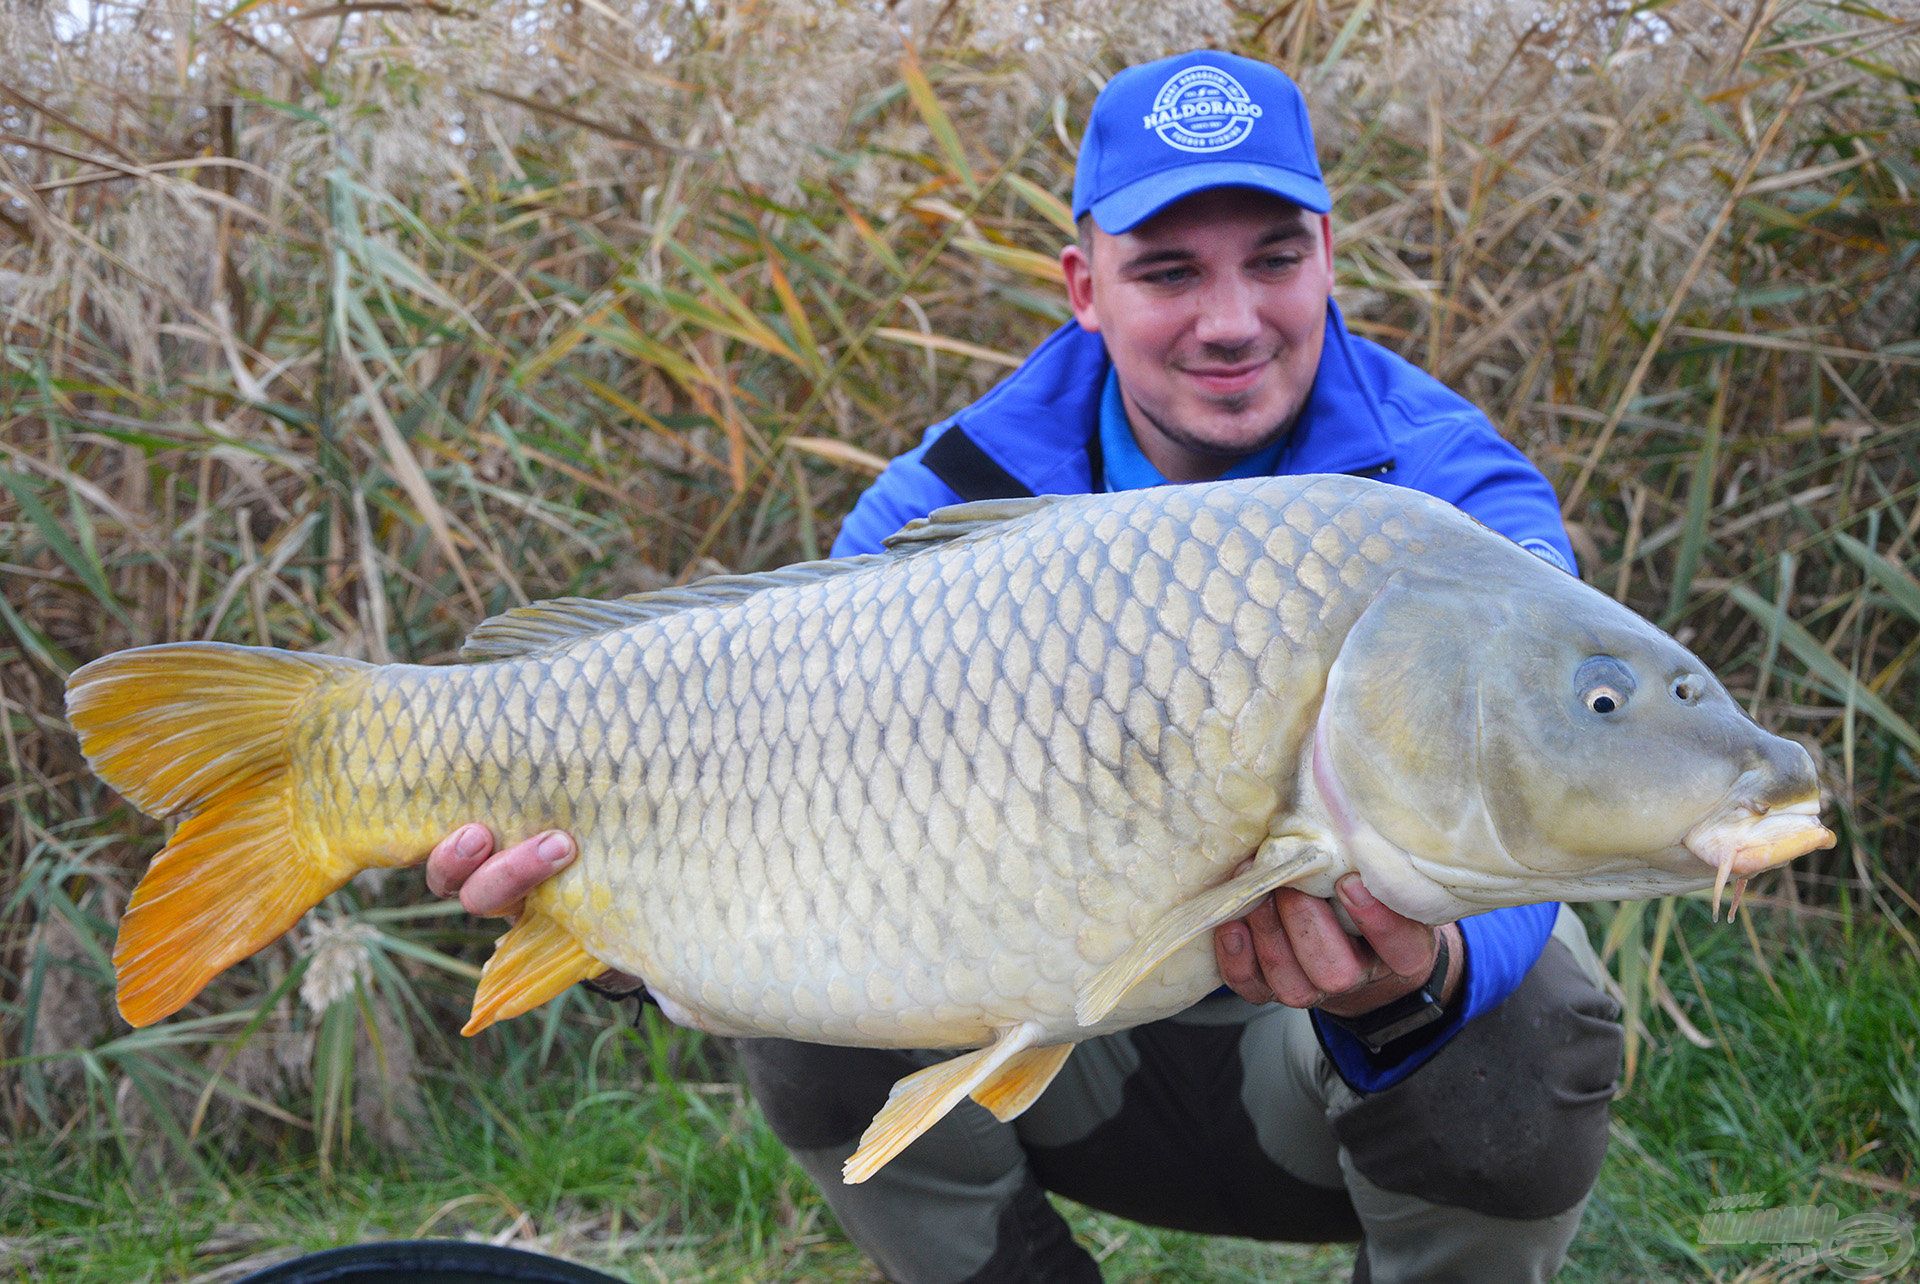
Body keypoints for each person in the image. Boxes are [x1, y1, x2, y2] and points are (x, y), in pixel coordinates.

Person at [426, 50, 1625, 1283]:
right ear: (1083, 287)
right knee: (804, 1010)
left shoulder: (1454, 496)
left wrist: (1425, 976)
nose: (1231, 320)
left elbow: (1537, 791)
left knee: (1532, 1018)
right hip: (1049, 1047)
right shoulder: (944, 503)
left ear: (1328, 254)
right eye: (1168, 271)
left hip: (1330, 1064)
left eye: (1273, 258)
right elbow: (790, 825)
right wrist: (619, 922)